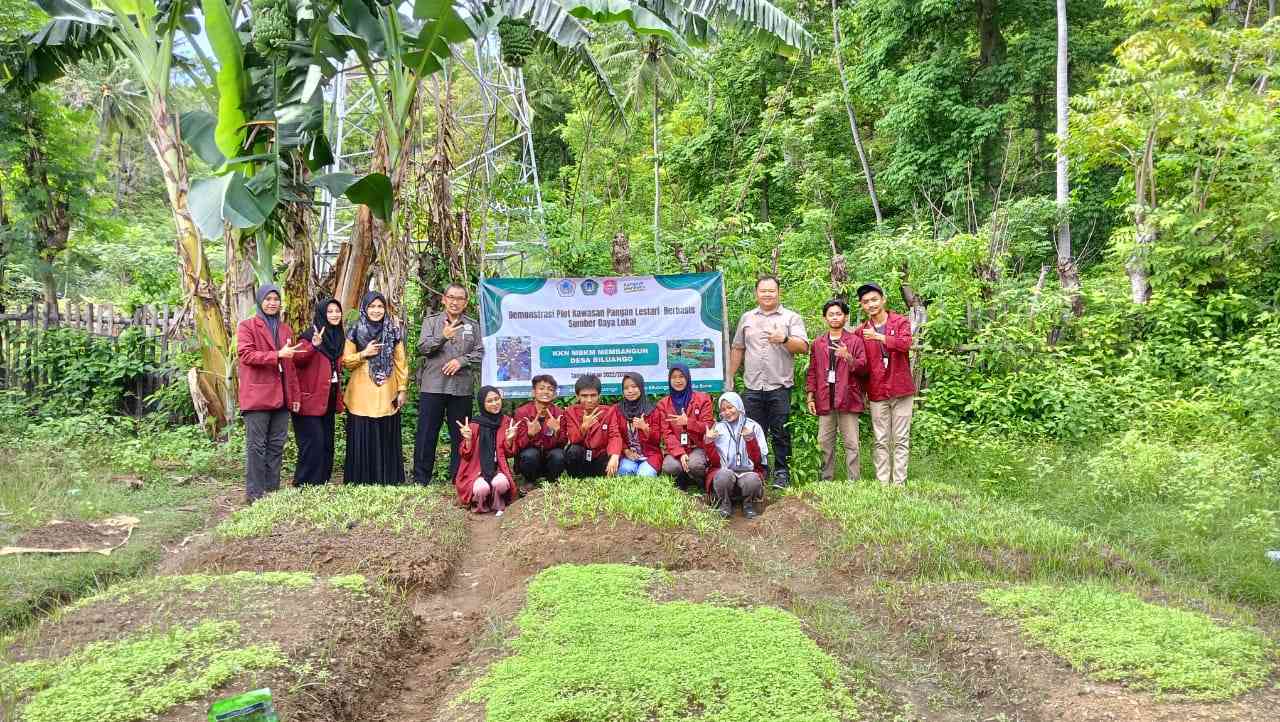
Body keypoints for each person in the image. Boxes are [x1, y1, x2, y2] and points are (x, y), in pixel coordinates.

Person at [727, 275, 808, 490]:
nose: (767, 294)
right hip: (752, 386)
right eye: (763, 291)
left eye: (771, 290)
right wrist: (730, 376)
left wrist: (784, 339)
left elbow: (802, 347)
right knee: (752, 431)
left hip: (779, 386)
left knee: (780, 432)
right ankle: (758, 469)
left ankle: (782, 472)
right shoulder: (747, 318)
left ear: (778, 292)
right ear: (756, 293)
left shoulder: (791, 318)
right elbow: (738, 348)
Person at [236, 284, 303, 503]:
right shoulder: (247, 326)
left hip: (281, 397)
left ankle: (271, 491)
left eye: (276, 299)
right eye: (268, 299)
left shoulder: (285, 329)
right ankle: (255, 495)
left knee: (276, 445)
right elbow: (246, 355)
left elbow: (291, 366)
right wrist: (277, 355)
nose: (272, 303)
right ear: (260, 301)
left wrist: (294, 397)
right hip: (257, 397)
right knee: (256, 447)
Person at [413, 283, 483, 486]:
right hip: (433, 386)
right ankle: (421, 478)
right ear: (444, 299)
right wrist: (443, 337)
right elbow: (423, 347)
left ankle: (459, 477)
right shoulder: (431, 322)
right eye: (451, 297)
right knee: (427, 433)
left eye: (460, 298)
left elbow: (480, 353)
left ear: (465, 302)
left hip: (461, 388)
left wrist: (461, 361)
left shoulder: (473, 325)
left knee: (461, 434)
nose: (455, 302)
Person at [342, 291, 408, 484]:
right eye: (372, 306)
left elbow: (400, 362)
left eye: (380, 306)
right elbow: (346, 361)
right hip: (362, 392)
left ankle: (388, 478)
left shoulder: (393, 331)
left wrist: (402, 388)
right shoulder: (354, 329)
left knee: (385, 431)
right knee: (363, 431)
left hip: (388, 389)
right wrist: (364, 353)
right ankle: (361, 478)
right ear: (365, 308)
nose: (376, 310)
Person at [856, 283, 916, 486]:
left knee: (900, 438)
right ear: (861, 306)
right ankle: (883, 482)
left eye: (874, 300)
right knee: (881, 439)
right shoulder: (861, 332)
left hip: (901, 389)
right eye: (866, 302)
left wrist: (880, 337)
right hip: (877, 391)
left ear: (883, 299)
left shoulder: (900, 322)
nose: (871, 304)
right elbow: (861, 366)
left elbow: (905, 344)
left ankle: (899, 483)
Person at [805, 299, 868, 481]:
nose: (835, 317)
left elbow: (864, 368)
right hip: (825, 398)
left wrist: (847, 356)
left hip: (848, 398)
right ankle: (826, 479)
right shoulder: (818, 343)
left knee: (851, 443)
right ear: (825, 317)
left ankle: (853, 480)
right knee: (824, 442)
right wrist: (810, 397)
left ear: (845, 317)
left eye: (838, 314)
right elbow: (813, 371)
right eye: (831, 314)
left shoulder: (855, 341)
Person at [292, 298, 346, 486]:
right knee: (312, 444)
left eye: (337, 311)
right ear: (322, 314)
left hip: (328, 399)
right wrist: (313, 345)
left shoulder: (338, 338)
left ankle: (322, 480)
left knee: (326, 443)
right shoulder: (309, 336)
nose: (334, 315)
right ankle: (304, 482)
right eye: (330, 311)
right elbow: (296, 360)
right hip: (309, 400)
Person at [454, 386, 519, 514]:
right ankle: (480, 506)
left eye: (497, 399)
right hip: (476, 471)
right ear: (482, 404)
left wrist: (510, 439)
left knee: (500, 483)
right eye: (489, 401)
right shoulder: (474, 425)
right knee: (481, 489)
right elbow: (465, 455)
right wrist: (467, 440)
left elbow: (509, 453)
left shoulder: (506, 422)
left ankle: (497, 504)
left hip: (497, 468)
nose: (495, 404)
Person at [705, 392, 768, 519]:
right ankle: (725, 503)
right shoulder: (718, 428)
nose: (727, 412)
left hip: (747, 472)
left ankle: (748, 504)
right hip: (726, 472)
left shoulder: (753, 426)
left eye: (730, 407)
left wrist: (750, 440)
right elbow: (714, 462)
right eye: (723, 410)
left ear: (738, 406)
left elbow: (757, 461)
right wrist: (708, 442)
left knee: (753, 480)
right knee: (723, 475)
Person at [656, 364, 713, 488]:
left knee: (695, 465)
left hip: (697, 446)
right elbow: (667, 433)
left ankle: (702, 481)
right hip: (676, 447)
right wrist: (680, 453)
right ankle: (682, 480)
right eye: (674, 377)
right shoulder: (663, 404)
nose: (678, 380)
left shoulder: (703, 399)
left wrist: (689, 422)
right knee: (670, 467)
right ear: (669, 380)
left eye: (681, 376)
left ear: (688, 378)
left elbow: (707, 425)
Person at [512, 375, 567, 487]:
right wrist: (529, 435)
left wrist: (557, 431)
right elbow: (518, 446)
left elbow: (563, 444)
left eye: (550, 389)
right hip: (531, 461)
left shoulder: (560, 413)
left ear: (555, 394)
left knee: (559, 455)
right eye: (541, 388)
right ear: (533, 392)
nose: (546, 392)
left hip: (549, 460)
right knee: (529, 455)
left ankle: (551, 482)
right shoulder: (522, 413)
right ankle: (529, 482)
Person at [563, 374, 622, 477]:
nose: (589, 400)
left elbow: (615, 436)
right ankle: (576, 479)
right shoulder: (570, 412)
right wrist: (584, 427)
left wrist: (615, 455)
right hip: (582, 458)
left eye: (593, 395)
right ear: (577, 396)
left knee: (610, 456)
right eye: (584, 396)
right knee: (573, 451)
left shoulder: (609, 412)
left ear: (599, 395)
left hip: (599, 457)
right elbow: (573, 439)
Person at [616, 373, 663, 477]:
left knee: (644, 476)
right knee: (624, 471)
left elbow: (657, 440)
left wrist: (645, 428)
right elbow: (615, 435)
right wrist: (626, 451)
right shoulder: (618, 410)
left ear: (641, 387)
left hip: (650, 455)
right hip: (629, 456)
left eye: (634, 387)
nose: (630, 391)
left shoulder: (652, 410)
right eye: (626, 388)